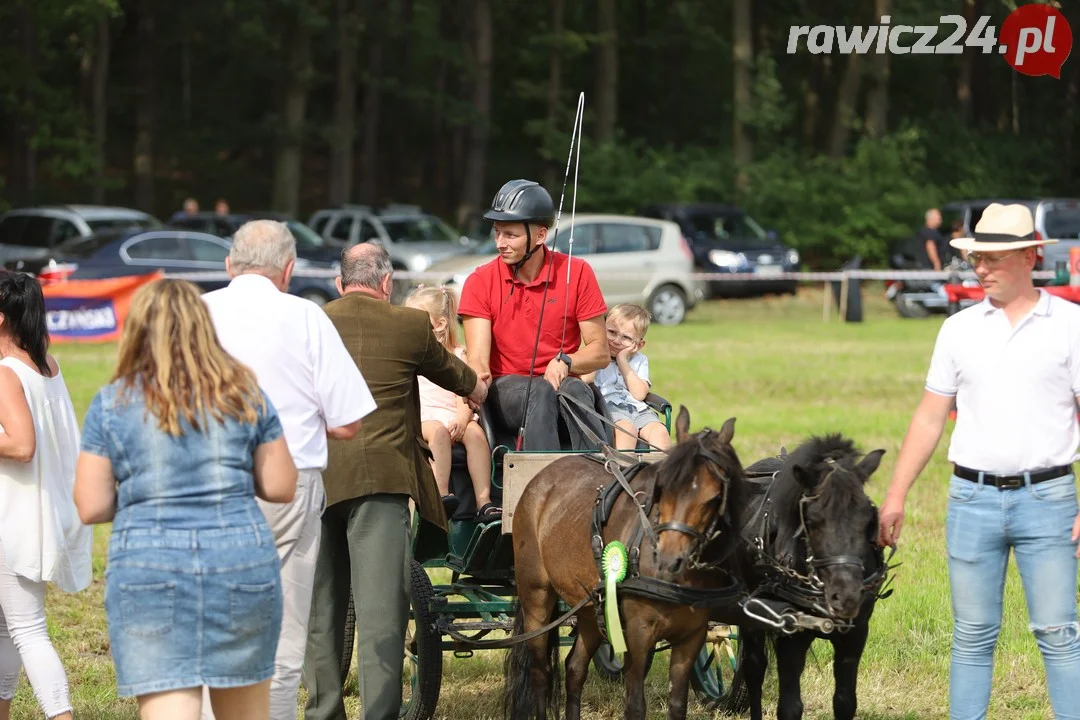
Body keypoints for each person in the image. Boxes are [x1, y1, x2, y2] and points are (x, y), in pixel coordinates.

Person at [878, 203, 1080, 720]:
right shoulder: (959, 330)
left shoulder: (1070, 325)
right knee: (971, 634)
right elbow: (928, 419)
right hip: (971, 500)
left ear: (1031, 255)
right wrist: (897, 494)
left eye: (993, 257)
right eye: (977, 258)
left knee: (1059, 632)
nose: (981, 268)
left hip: (1049, 499)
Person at [74, 278, 299, 720]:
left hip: (148, 565)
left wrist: (146, 493)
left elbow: (91, 505)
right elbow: (280, 485)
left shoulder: (111, 404)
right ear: (204, 327)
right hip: (239, 561)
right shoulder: (245, 394)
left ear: (136, 330)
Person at [302, 243, 489, 720]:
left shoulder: (311, 322)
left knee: (321, 610)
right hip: (380, 482)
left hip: (314, 477)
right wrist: (481, 387)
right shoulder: (409, 325)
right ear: (387, 284)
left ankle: (323, 712)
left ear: (340, 283)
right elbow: (463, 380)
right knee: (381, 613)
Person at [201, 219, 376, 720]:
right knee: (283, 630)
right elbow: (348, 424)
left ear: (230, 265)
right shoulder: (307, 316)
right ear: (289, 270)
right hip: (289, 480)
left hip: (204, 480)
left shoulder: (196, 312)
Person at [0, 272, 93, 720]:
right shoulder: (46, 364)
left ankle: (61, 714)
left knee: (27, 630)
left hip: (15, 518)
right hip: (39, 510)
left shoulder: (7, 372)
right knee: (9, 629)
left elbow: (21, 445)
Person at [458, 179, 610, 451]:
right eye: (497, 232)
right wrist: (474, 381)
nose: (499, 243)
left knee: (576, 390)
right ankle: (541, 480)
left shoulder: (578, 272)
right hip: (505, 393)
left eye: (510, 235)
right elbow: (479, 360)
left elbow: (600, 352)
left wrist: (565, 361)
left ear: (540, 236)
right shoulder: (479, 281)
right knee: (538, 390)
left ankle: (600, 477)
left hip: (563, 385)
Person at [404, 285, 499, 521]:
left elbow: (464, 393)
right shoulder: (412, 355)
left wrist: (462, 419)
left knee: (476, 434)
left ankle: (483, 500)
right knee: (438, 433)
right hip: (425, 416)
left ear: (440, 324)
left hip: (452, 412)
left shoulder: (457, 354)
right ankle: (441, 493)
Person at [581, 303, 670, 452]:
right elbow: (586, 379)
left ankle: (659, 473)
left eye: (626, 338)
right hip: (608, 410)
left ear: (639, 344)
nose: (617, 340)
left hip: (639, 410)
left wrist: (623, 360)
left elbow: (639, 394)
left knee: (661, 434)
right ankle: (625, 471)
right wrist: (599, 351)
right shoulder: (595, 355)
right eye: (612, 332)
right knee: (627, 431)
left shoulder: (639, 360)